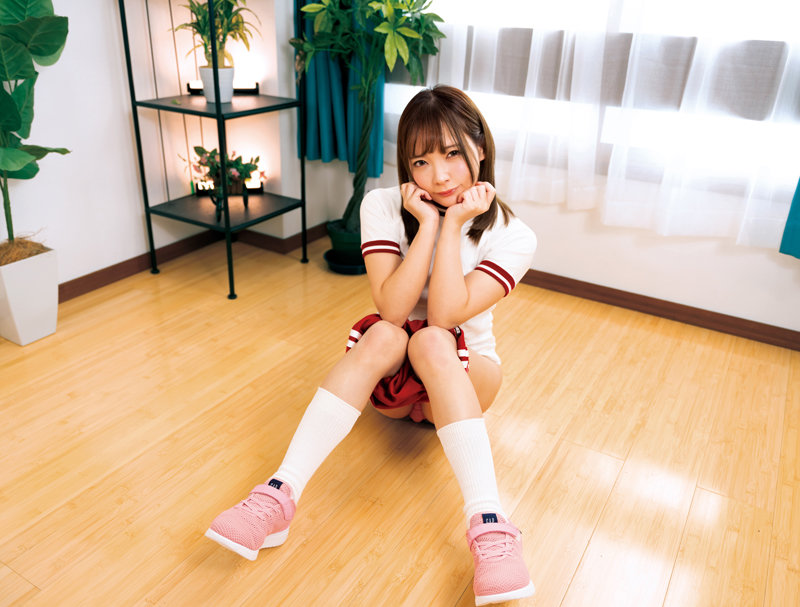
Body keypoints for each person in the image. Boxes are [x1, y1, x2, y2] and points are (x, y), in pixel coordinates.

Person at [205, 85, 537, 606]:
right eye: (421, 161)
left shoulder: (514, 234)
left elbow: (445, 316)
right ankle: (278, 494)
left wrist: (453, 224)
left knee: (432, 339)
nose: (439, 176)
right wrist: (428, 225)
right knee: (387, 331)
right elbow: (393, 309)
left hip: (467, 380)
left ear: (480, 146)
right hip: (395, 388)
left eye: (453, 153)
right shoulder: (382, 204)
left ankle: (490, 525)